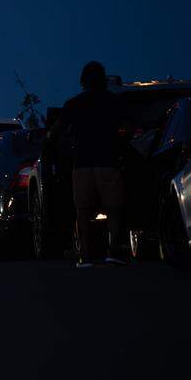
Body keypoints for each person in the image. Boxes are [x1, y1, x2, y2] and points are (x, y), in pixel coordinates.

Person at [49, 60, 128, 267]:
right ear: (103, 79)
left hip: (81, 164)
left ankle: (84, 254)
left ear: (82, 81)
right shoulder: (114, 102)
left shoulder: (73, 104)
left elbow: (54, 132)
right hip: (108, 161)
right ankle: (113, 249)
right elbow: (128, 129)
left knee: (82, 210)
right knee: (114, 208)